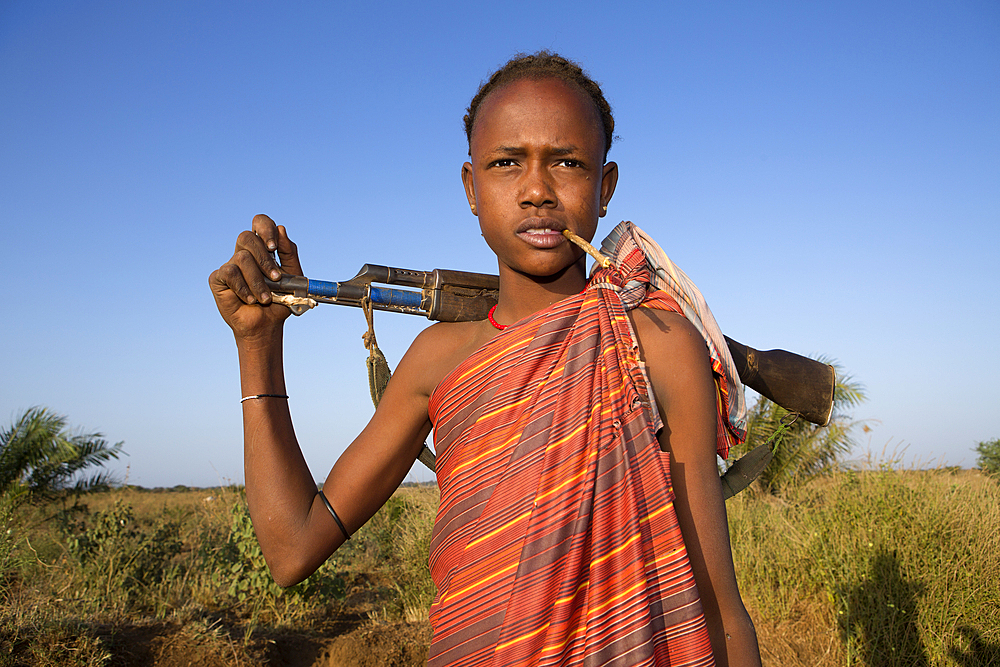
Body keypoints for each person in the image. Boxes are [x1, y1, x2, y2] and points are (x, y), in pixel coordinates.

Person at [210, 52, 762, 667]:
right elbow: (292, 548)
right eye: (507, 164)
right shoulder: (436, 361)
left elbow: (718, 607)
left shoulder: (656, 343)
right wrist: (257, 345)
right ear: (472, 189)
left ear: (605, 189)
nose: (536, 191)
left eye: (568, 163)